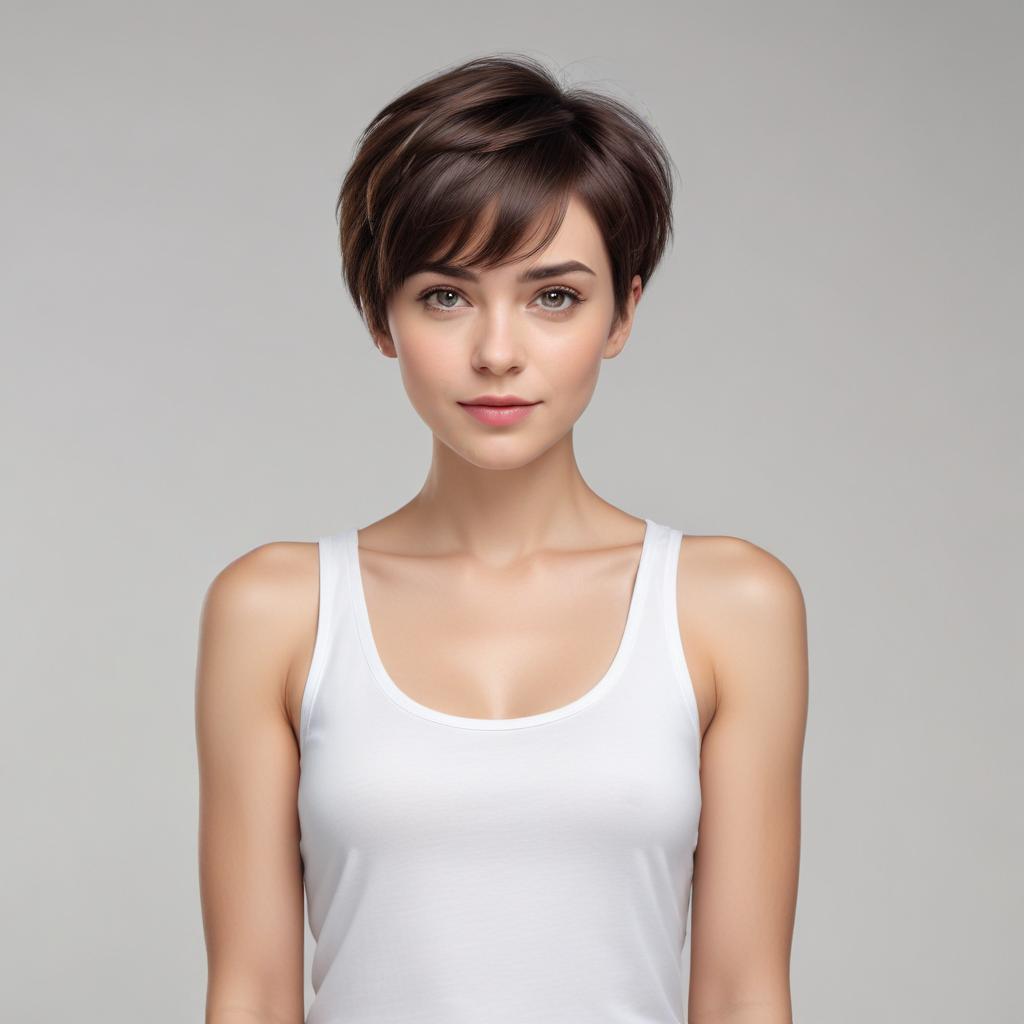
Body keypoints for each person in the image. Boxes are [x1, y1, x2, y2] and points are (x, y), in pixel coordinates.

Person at [196, 52, 808, 1024]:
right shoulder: (276, 611)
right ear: (381, 316)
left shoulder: (729, 606)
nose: (496, 352)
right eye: (445, 295)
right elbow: (253, 994)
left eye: (553, 296)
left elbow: (743, 995)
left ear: (622, 314)